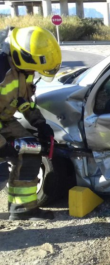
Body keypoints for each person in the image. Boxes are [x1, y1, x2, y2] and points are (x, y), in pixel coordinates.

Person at [0, 26, 61, 220]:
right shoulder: (2, 71)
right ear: (21, 56)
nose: (33, 72)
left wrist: (40, 124)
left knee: (30, 149)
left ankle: (22, 209)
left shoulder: (24, 69)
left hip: (4, 121)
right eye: (32, 68)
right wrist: (2, 146)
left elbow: (22, 102)